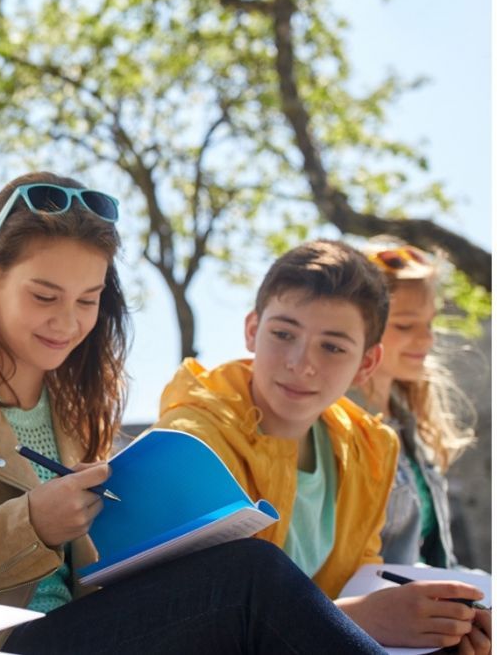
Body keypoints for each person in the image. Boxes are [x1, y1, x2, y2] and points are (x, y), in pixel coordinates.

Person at [0, 172, 387, 654]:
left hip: (86, 627)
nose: (67, 322)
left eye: (87, 300)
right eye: (45, 296)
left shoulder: (76, 404)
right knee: (252, 577)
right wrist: (30, 524)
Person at [155, 240, 490, 653]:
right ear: (252, 330)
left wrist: (439, 635)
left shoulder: (371, 449)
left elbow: (363, 582)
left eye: (332, 347)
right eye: (283, 334)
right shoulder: (192, 443)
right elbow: (191, 624)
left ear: (366, 363)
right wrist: (356, 620)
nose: (301, 363)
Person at [350, 241, 476, 567]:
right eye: (405, 325)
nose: (427, 339)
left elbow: (437, 557)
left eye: (429, 324)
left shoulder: (412, 423)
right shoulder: (334, 428)